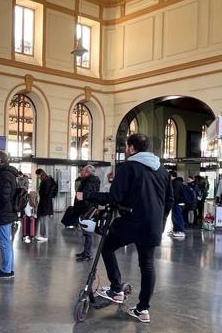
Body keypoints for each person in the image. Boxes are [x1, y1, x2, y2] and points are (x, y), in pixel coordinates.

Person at [77, 134, 173, 324]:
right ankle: (143, 310)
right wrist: (160, 221)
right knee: (147, 265)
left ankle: (116, 289)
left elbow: (115, 198)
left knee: (107, 247)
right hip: (152, 225)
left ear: (130, 148)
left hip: (132, 222)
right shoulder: (162, 170)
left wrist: (88, 195)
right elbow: (169, 200)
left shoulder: (129, 167)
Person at [0, 151, 18, 279]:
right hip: (5, 213)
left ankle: (6, 270)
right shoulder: (5, 174)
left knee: (4, 242)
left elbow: (4, 196)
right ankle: (9, 269)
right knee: (7, 242)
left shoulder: (4, 175)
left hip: (3, 213)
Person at [73, 165, 101, 261]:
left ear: (87, 172)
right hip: (87, 209)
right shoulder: (89, 181)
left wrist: (82, 208)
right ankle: (85, 252)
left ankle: (88, 254)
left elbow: (86, 197)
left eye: (82, 171)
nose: (80, 172)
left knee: (88, 233)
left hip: (87, 210)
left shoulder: (90, 182)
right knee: (86, 233)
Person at [34, 168, 57, 242]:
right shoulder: (48, 179)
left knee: (44, 219)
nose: (38, 177)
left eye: (38, 175)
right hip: (46, 202)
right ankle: (43, 235)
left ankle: (45, 236)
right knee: (43, 219)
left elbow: (46, 193)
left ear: (40, 174)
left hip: (45, 203)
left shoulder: (46, 181)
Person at [168, 171, 186, 240]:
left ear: (171, 176)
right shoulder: (176, 182)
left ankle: (181, 231)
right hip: (177, 202)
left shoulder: (176, 183)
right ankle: (176, 230)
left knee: (178, 216)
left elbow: (175, 194)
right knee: (175, 216)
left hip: (178, 202)